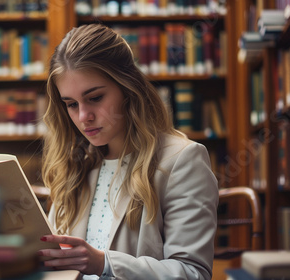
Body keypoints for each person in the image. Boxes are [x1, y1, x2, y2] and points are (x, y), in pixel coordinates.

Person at [38, 23, 218, 280]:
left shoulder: (182, 160)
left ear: (127, 88)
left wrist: (104, 264)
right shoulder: (75, 164)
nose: (83, 116)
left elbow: (193, 273)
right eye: (71, 104)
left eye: (95, 98)